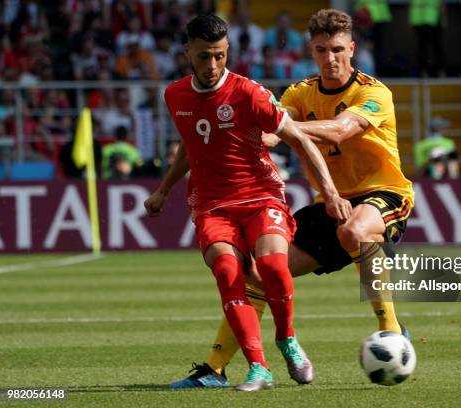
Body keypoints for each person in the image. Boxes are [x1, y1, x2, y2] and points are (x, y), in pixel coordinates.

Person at [171, 8, 415, 389]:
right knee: (256, 274)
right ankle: (215, 367)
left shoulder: (373, 92)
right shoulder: (300, 93)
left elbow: (339, 130)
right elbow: (267, 128)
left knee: (353, 230)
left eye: (337, 49)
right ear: (311, 51)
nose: (330, 58)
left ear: (352, 48)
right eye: (321, 50)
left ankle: (392, 329)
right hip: (329, 207)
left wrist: (286, 130)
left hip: (383, 195)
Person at [144, 14, 352, 392]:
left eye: (220, 56)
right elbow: (191, 148)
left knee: (273, 266)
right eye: (204, 56)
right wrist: (164, 190)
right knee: (227, 272)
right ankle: (258, 368)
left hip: (260, 195)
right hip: (212, 204)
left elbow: (301, 140)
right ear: (187, 51)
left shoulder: (249, 93)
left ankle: (286, 338)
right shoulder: (175, 95)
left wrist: (332, 193)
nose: (212, 65)